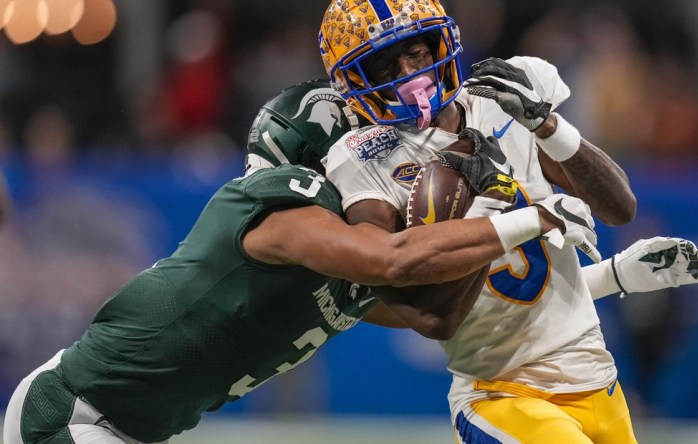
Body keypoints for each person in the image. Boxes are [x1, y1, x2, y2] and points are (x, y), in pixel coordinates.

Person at [2, 79, 599, 444]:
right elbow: (394, 262)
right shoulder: (285, 212)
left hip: (125, 424)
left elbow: (440, 317)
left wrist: (611, 276)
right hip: (76, 412)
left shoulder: (343, 242)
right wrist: (530, 218)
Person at [319, 1, 698, 442]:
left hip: (596, 376)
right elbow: (431, 315)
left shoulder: (503, 95)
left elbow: (619, 208)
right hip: (500, 395)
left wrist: (547, 124)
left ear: (440, 42)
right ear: (355, 82)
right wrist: (517, 216)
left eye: (417, 52)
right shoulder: (362, 158)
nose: (410, 72)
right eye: (385, 65)